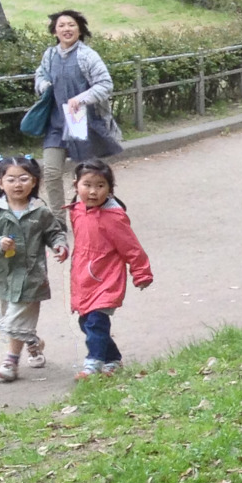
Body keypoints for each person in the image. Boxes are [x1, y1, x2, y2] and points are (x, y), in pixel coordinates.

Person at [0, 155, 70, 384]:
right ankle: (33, 342)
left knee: (15, 321)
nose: (18, 184)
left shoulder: (40, 211)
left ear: (34, 182)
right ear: (0, 183)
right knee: (12, 318)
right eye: (11, 179)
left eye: (24, 179)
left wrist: (60, 245)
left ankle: (10, 364)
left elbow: (54, 232)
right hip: (4, 276)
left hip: (31, 277)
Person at [67, 159, 152, 379]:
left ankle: (92, 364)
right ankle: (112, 359)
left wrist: (141, 272)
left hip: (107, 277)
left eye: (100, 185)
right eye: (87, 185)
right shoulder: (76, 210)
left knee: (96, 321)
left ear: (110, 189)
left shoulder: (114, 218)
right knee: (86, 322)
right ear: (76, 185)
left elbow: (131, 247)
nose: (93, 191)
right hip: (83, 277)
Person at [34, 9, 123, 216]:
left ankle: (93, 215)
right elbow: (40, 76)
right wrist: (44, 85)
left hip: (83, 122)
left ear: (80, 30)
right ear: (55, 31)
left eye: (71, 25)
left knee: (90, 176)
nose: (67, 29)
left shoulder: (87, 55)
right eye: (61, 25)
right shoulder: (50, 55)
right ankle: (58, 221)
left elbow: (105, 84)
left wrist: (81, 98)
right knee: (51, 172)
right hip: (56, 124)